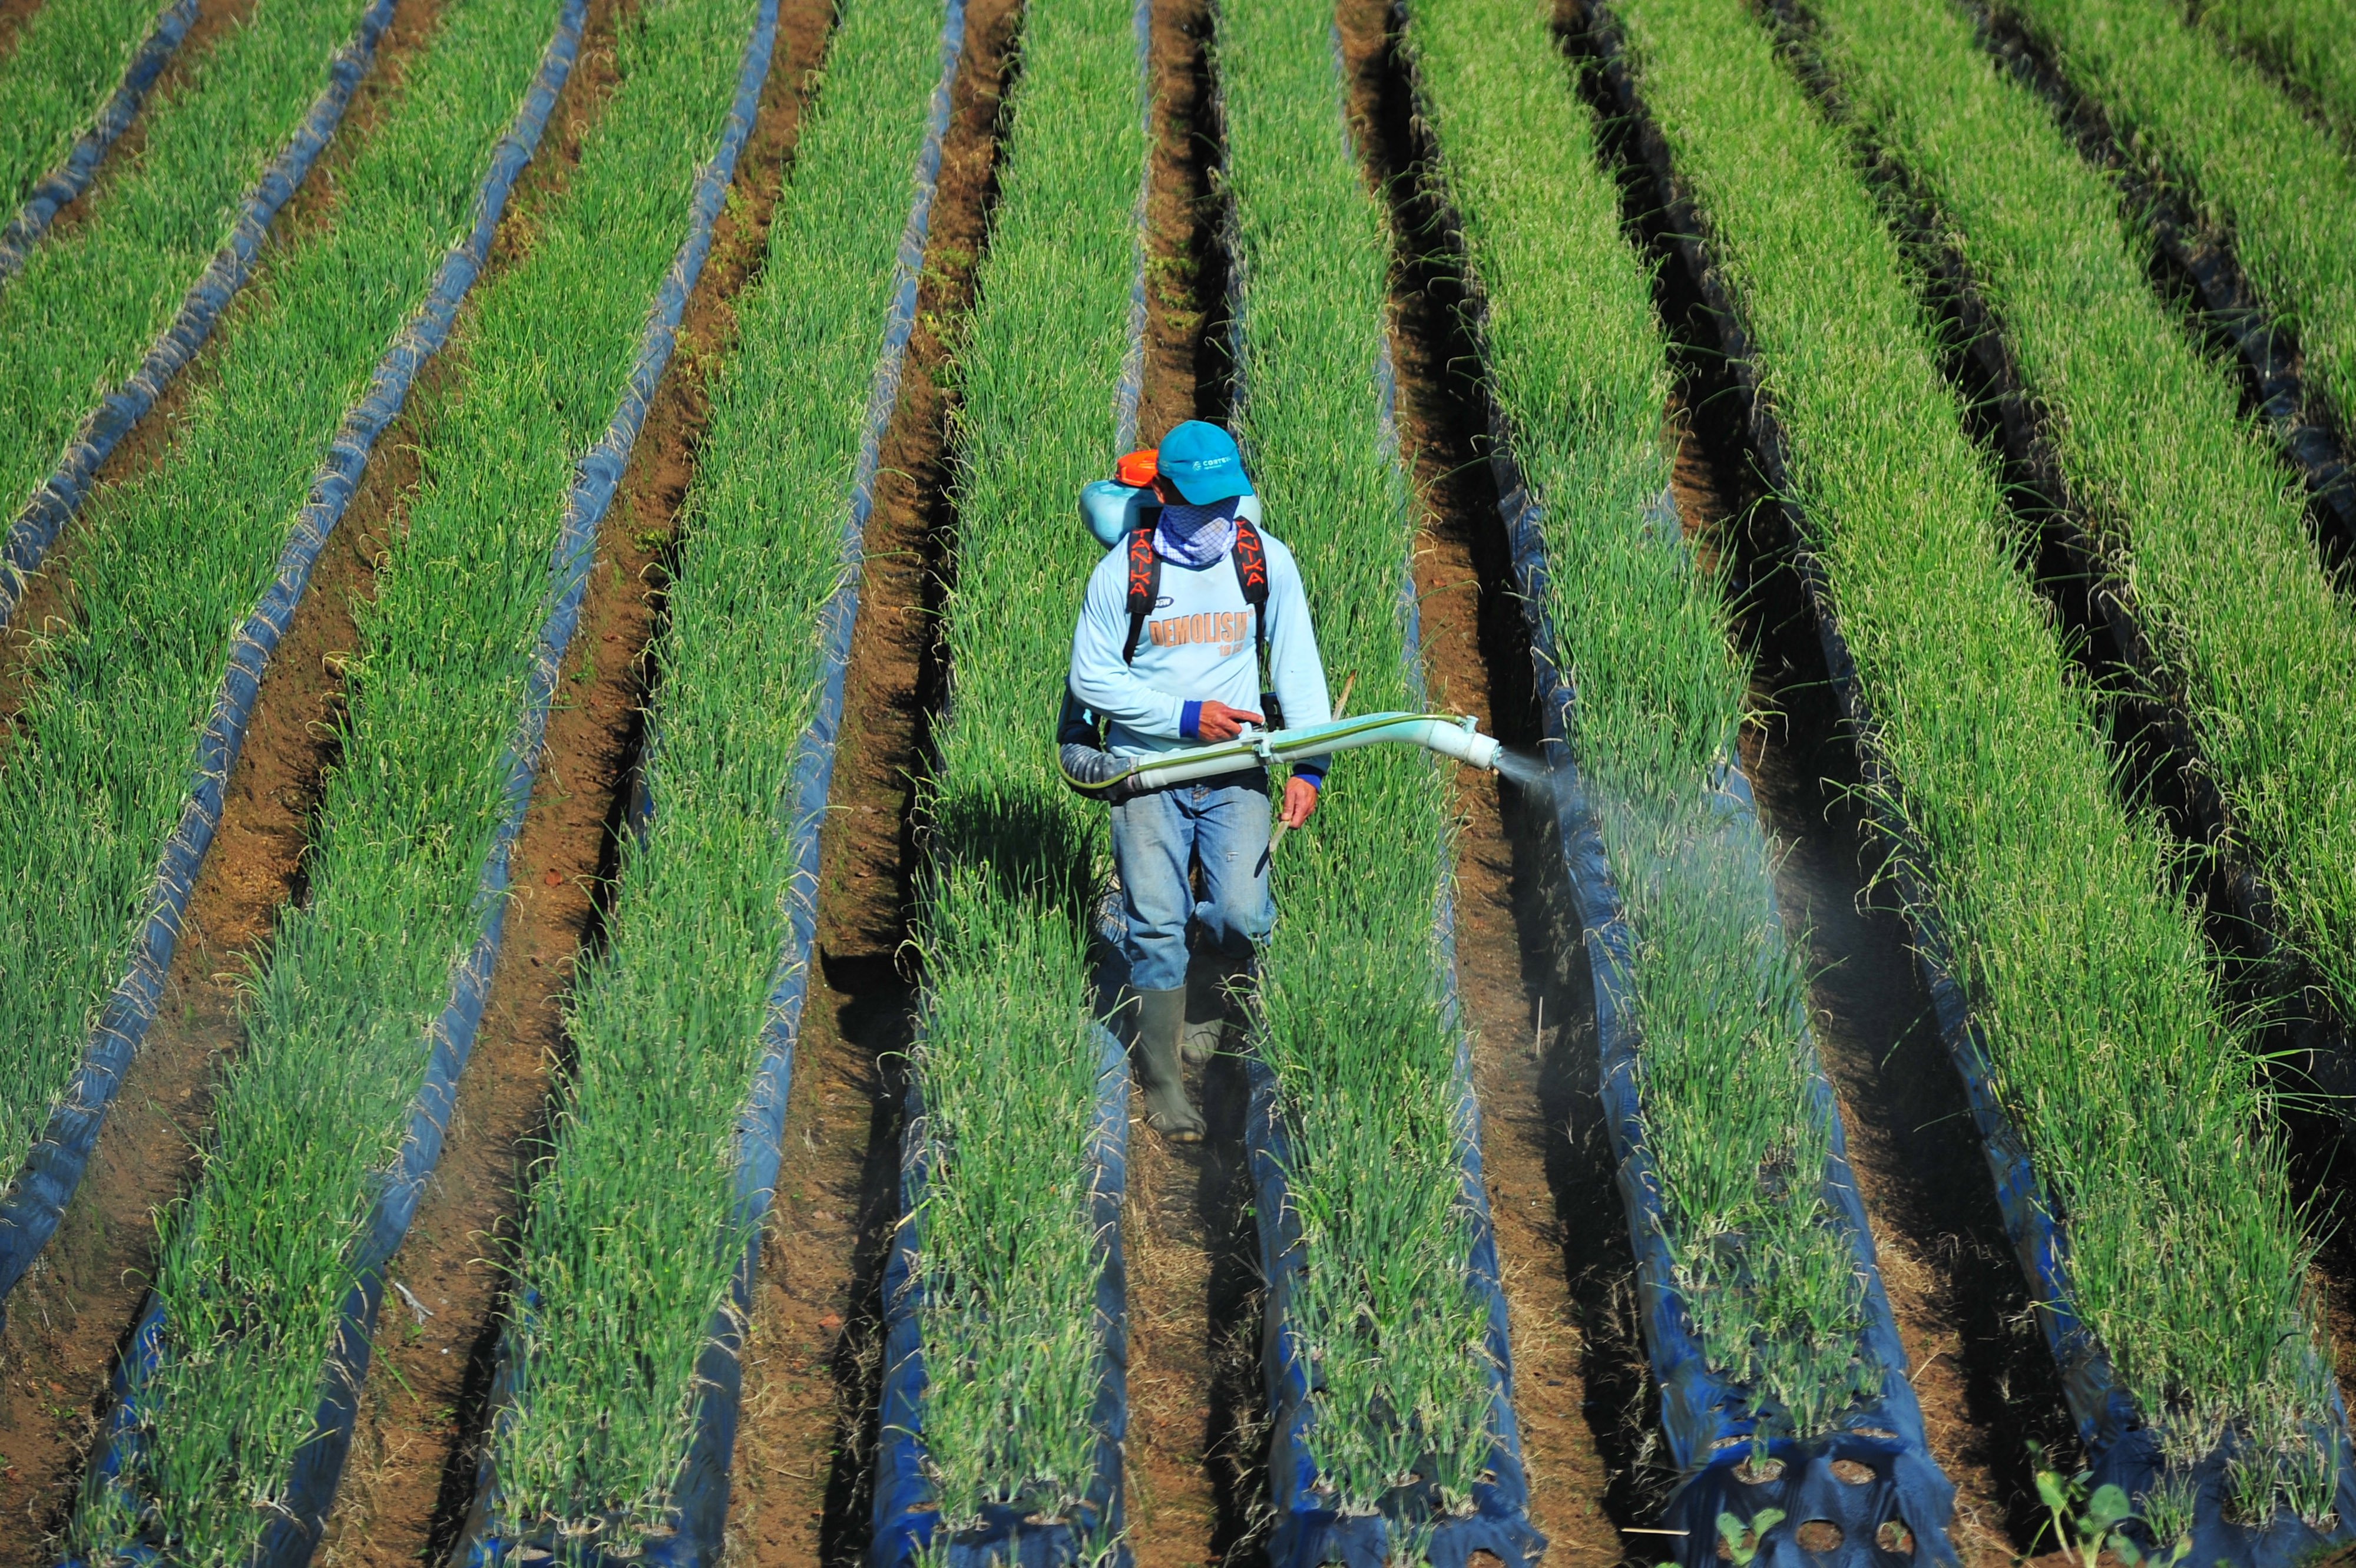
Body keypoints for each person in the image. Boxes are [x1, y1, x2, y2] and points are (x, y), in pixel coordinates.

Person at [1066, 419, 1332, 1142]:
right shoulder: (1124, 571)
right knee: (1155, 923)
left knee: (1243, 913)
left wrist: (1309, 764)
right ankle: (1162, 1085)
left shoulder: (1262, 559)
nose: (1216, 517)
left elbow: (1299, 668)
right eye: (1199, 500)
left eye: (1227, 500)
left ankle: (1208, 1003)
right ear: (1164, 492)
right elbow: (1091, 678)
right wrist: (1185, 717)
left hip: (1236, 768)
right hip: (1147, 769)